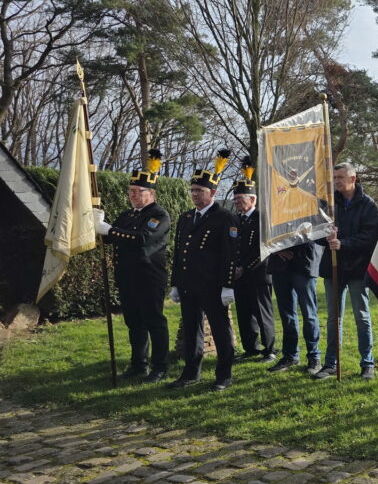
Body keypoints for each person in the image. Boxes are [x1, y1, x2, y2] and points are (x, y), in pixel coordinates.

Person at [92, 149, 171, 383]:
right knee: (134, 322)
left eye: (138, 191)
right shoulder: (127, 215)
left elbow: (142, 239)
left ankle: (160, 366)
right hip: (127, 277)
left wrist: (109, 229)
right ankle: (139, 364)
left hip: (149, 277)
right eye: (131, 191)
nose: (133, 195)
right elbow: (110, 237)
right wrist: (97, 224)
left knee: (154, 321)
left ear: (151, 193)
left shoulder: (158, 215)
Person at [168, 149, 239, 391]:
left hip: (213, 286)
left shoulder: (224, 217)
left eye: (200, 191)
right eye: (193, 191)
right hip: (189, 285)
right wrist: (175, 282)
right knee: (191, 330)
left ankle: (224, 375)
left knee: (220, 330)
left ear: (213, 193)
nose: (195, 195)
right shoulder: (186, 218)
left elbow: (230, 255)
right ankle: (191, 373)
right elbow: (180, 252)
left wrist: (228, 285)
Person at [317, 162, 378, 379]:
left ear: (353, 179)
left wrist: (344, 243)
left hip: (357, 268)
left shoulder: (368, 205)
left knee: (361, 316)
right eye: (334, 178)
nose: (336, 181)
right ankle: (330, 364)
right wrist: (325, 236)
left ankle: (367, 364)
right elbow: (315, 232)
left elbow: (370, 236)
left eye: (340, 177)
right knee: (333, 318)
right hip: (333, 269)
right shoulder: (328, 204)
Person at [231, 157, 275, 362]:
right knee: (244, 313)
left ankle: (270, 349)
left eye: (241, 198)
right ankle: (251, 348)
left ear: (253, 200)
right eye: (236, 198)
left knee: (262, 313)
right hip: (240, 276)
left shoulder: (262, 219)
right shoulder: (235, 220)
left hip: (258, 274)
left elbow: (264, 249)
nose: (237, 202)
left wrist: (245, 268)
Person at [266, 239, 324, 373]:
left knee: (309, 314)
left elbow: (316, 228)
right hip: (280, 264)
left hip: (304, 261)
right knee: (287, 315)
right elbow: (266, 231)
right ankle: (290, 356)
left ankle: (314, 357)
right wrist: (277, 248)